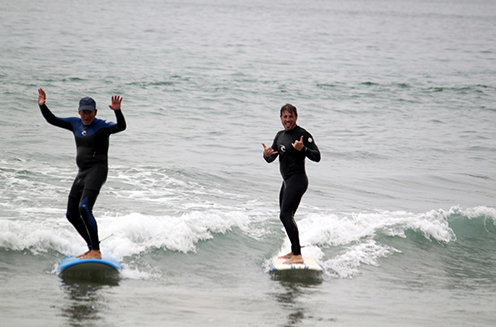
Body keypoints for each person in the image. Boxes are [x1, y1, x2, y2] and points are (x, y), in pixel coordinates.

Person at [37, 88, 126, 260]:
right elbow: (52, 119)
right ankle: (92, 248)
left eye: (90, 112)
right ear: (79, 112)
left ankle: (96, 251)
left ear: (95, 112)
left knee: (84, 208)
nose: (87, 116)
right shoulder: (74, 123)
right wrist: (42, 105)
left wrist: (118, 111)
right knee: (71, 213)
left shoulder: (101, 126)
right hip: (82, 173)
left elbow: (121, 127)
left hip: (97, 171)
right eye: (84, 112)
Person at [262, 104, 321, 264]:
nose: (287, 120)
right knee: (286, 216)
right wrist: (266, 155)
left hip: (298, 180)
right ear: (281, 118)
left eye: (290, 117)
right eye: (284, 117)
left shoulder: (302, 134)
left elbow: (317, 156)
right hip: (286, 181)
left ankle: (297, 255)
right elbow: (271, 157)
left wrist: (303, 149)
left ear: (296, 117)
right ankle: (295, 251)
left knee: (285, 215)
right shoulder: (280, 135)